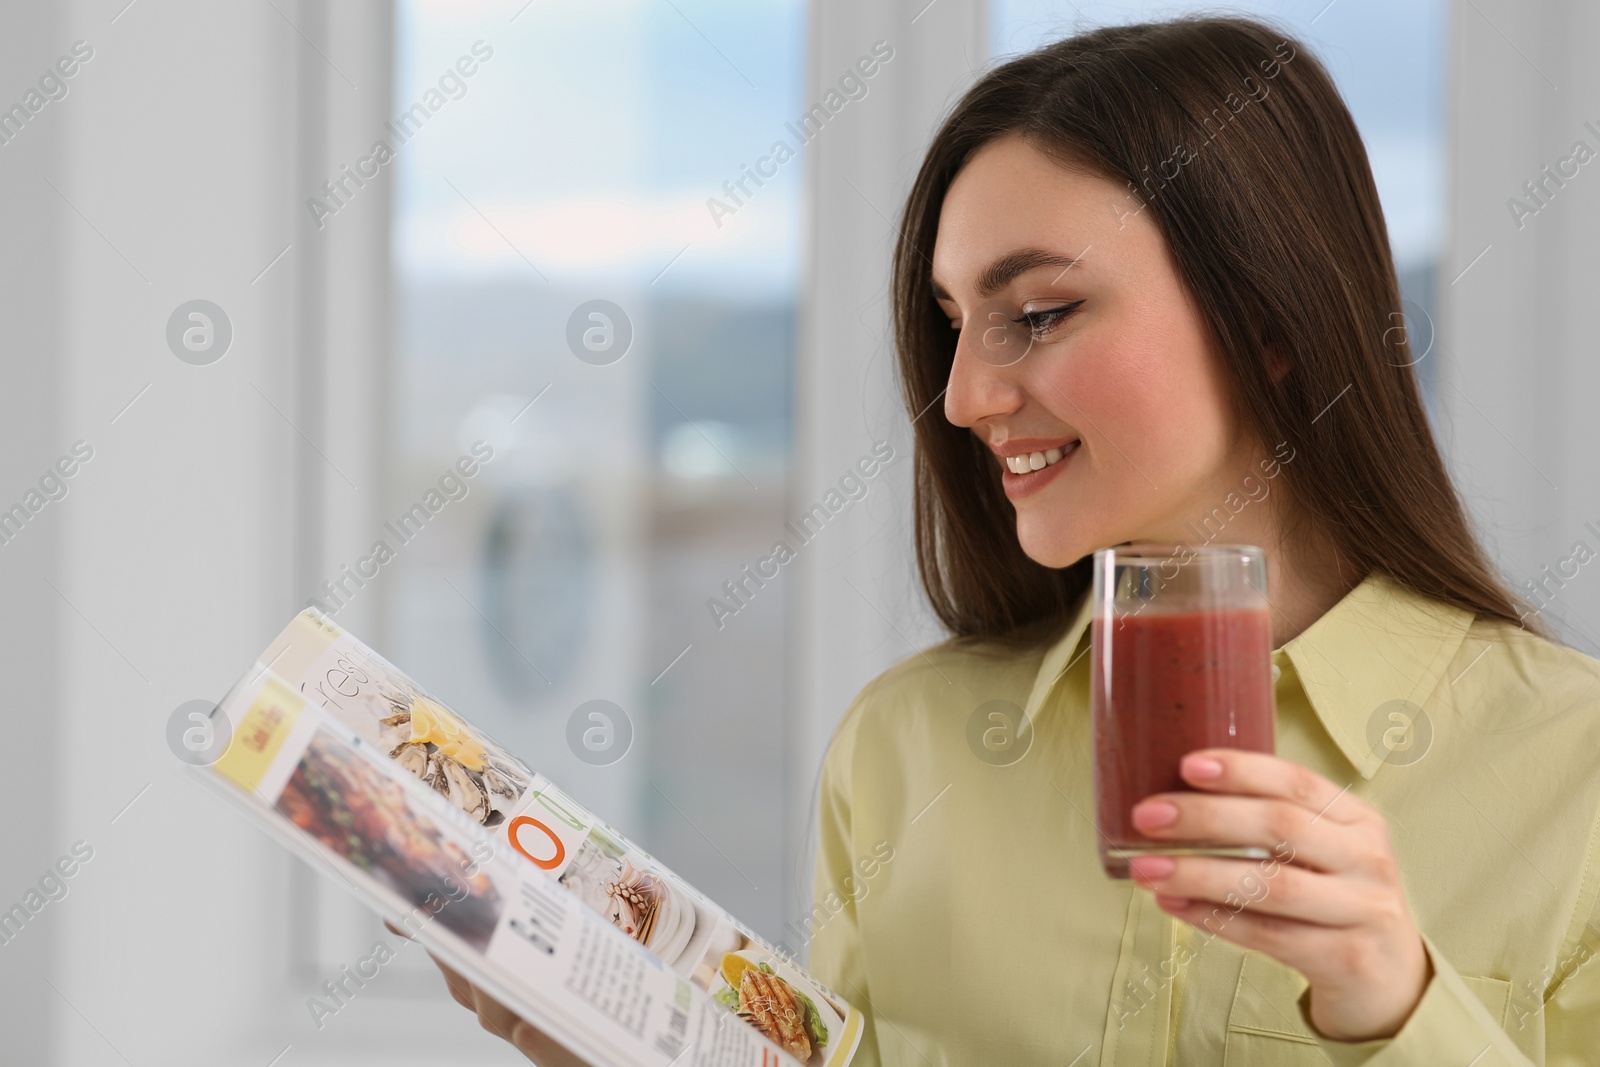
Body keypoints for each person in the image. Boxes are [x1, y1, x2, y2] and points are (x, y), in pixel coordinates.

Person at [430, 15, 1600, 1065]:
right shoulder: (903, 751)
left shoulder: (1572, 773)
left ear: (1267, 320)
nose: (962, 396)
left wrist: (1399, 1009)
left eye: (1037, 314)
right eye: (950, 325)